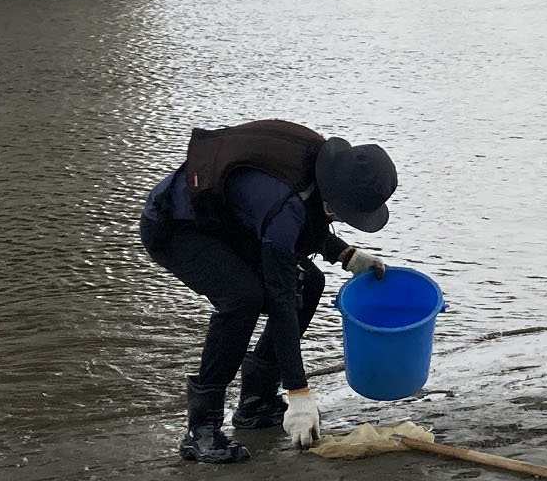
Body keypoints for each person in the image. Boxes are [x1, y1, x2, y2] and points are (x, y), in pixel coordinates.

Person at [139, 120, 398, 463]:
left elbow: (308, 216)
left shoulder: (320, 167)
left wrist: (344, 254)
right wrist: (299, 393)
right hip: (176, 227)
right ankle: (201, 429)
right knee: (242, 298)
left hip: (230, 223)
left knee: (309, 283)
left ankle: (256, 402)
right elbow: (279, 296)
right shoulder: (282, 203)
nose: (342, 216)